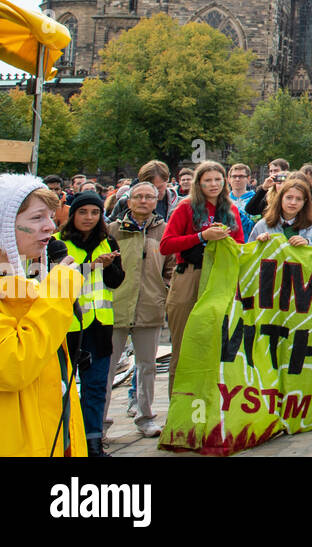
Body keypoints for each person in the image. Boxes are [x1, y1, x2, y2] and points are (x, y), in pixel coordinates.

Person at [0, 175, 88, 457]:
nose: (51, 226)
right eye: (38, 217)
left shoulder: (20, 283)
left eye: (50, 216)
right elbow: (12, 366)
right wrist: (59, 291)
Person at [159, 161, 244, 395]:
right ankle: (179, 402)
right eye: (208, 180)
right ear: (199, 183)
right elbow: (166, 245)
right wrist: (201, 236)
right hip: (189, 275)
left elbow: (239, 244)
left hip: (219, 279)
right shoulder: (186, 208)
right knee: (183, 344)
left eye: (218, 179)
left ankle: (209, 403)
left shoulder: (231, 209)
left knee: (213, 344)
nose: (213, 184)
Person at [104, 181, 172, 439]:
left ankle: (145, 417)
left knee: (147, 366)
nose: (144, 201)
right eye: (138, 197)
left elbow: (171, 267)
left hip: (149, 305)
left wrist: (163, 291)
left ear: (156, 201)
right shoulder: (112, 230)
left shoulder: (164, 230)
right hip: (116, 306)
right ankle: (101, 422)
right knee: (108, 367)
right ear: (129, 201)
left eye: (149, 197)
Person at [59, 190, 125, 456]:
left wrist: (108, 266)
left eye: (95, 212)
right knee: (64, 387)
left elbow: (116, 281)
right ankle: (67, 443)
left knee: (96, 386)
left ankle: (93, 442)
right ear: (72, 214)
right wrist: (91, 265)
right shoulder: (57, 243)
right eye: (83, 212)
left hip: (99, 324)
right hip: (68, 325)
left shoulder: (107, 241)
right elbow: (53, 281)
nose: (88, 217)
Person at [249, 173, 312, 247]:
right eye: (289, 197)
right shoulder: (263, 225)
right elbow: (250, 253)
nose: (293, 203)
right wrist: (259, 244)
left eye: (298, 199)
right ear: (281, 198)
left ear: (304, 202)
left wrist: (308, 244)